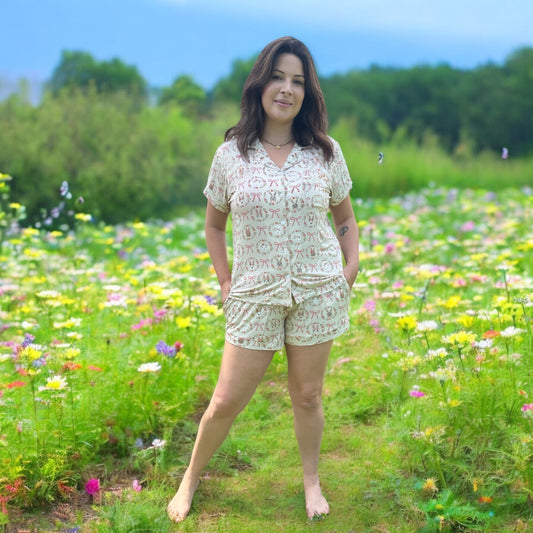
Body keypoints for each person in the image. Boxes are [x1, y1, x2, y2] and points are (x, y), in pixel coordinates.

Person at [167, 36, 359, 523]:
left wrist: (350, 265)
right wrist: (225, 282)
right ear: (260, 84)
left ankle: (311, 482)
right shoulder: (231, 155)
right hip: (254, 294)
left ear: (307, 93)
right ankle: (190, 479)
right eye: (278, 77)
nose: (286, 89)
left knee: (308, 395)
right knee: (226, 399)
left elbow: (344, 218)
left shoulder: (325, 152)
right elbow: (214, 227)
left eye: (297, 81)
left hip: (318, 290)